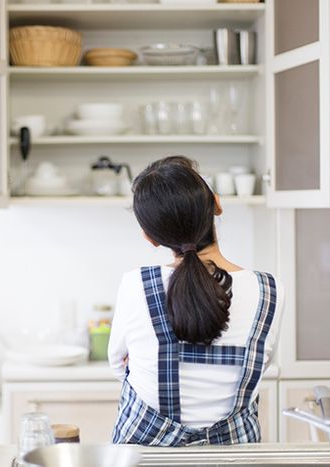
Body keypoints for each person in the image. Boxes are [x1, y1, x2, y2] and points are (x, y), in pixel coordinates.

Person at [108, 156, 284, 447]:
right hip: (235, 456)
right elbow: (261, 363)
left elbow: (119, 365)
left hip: (145, 455)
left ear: (149, 237)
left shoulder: (135, 285)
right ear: (217, 204)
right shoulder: (269, 289)